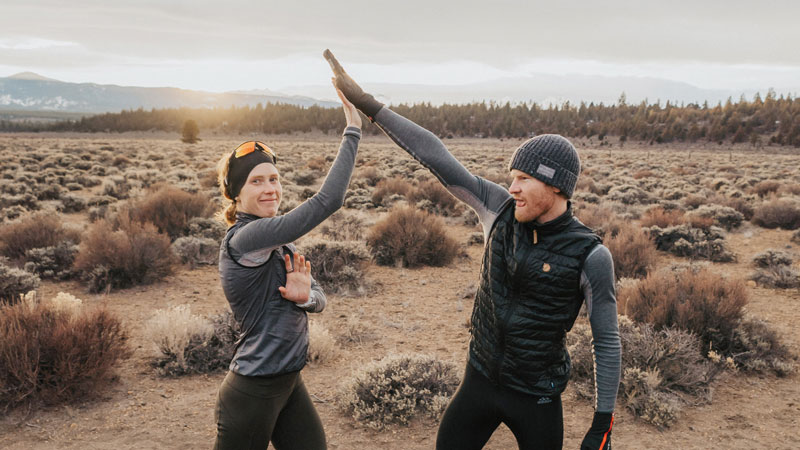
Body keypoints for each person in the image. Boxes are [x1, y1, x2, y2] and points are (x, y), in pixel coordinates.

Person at [324, 49, 621, 450]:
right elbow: (435, 155)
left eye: (524, 179)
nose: (512, 187)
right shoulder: (498, 210)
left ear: (556, 187)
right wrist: (368, 104)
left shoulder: (591, 256)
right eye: (511, 177)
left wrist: (601, 424)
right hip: (478, 381)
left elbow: (606, 342)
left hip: (537, 396)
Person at [212, 86, 361, 450]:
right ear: (236, 194)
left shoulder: (280, 243)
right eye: (256, 181)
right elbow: (329, 201)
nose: (270, 189)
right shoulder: (244, 239)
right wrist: (353, 128)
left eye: (274, 179)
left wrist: (305, 297)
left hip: (289, 382)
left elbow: (320, 298)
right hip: (253, 391)